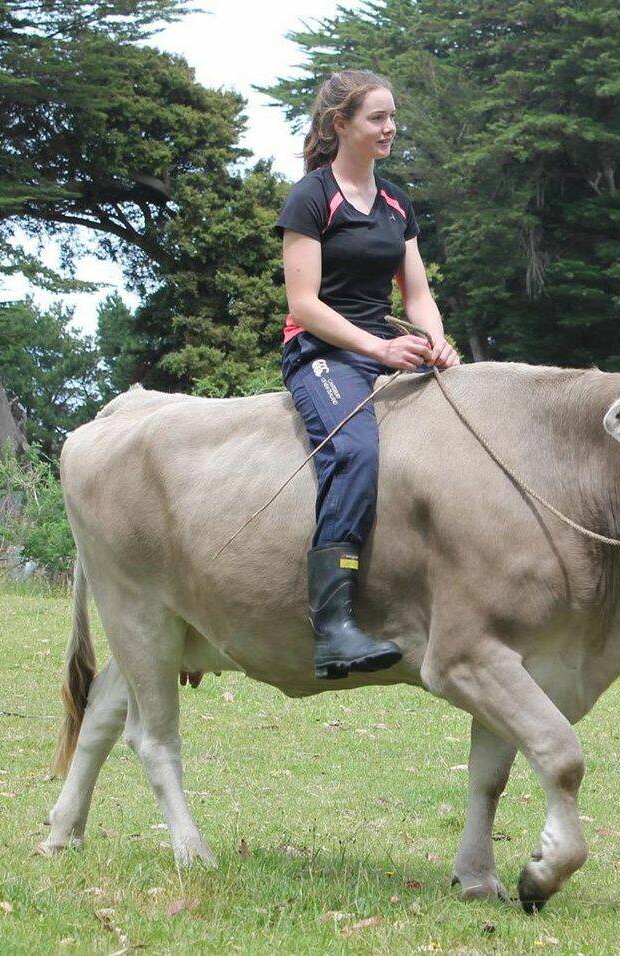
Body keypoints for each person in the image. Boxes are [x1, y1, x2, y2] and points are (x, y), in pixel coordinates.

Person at [276, 69, 459, 680]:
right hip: (322, 353)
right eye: (377, 118)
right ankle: (332, 628)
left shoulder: (396, 202)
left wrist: (434, 342)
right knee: (354, 452)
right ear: (341, 126)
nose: (390, 128)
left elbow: (417, 294)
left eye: (392, 116)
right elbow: (305, 305)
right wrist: (380, 352)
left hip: (385, 346)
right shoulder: (310, 197)